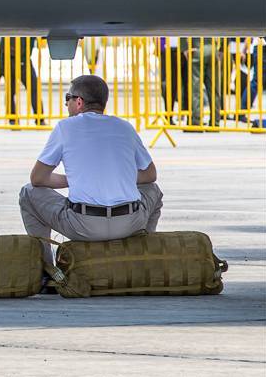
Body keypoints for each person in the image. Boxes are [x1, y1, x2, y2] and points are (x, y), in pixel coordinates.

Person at [18, 75, 163, 278]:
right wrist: (113, 176)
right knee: (153, 191)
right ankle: (142, 254)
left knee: (28, 193)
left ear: (79, 102)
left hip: (84, 225)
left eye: (67, 98)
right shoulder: (125, 127)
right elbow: (150, 175)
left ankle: (47, 272)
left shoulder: (65, 128)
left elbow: (38, 179)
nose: (65, 104)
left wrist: (78, 177)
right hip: (129, 222)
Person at [0, 37, 45, 126]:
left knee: (33, 89)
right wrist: (2, 67)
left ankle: (39, 118)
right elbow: (2, 48)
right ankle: (13, 119)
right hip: (11, 60)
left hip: (23, 60)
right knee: (11, 92)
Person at [182, 37, 223, 128]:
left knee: (196, 88)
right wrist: (222, 49)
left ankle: (196, 121)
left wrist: (185, 48)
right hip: (213, 49)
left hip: (198, 49)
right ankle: (215, 121)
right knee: (214, 89)